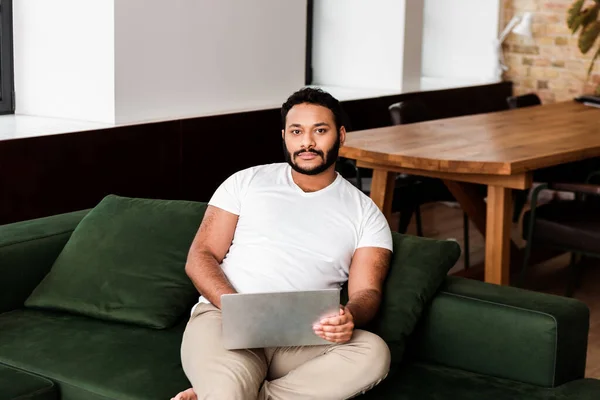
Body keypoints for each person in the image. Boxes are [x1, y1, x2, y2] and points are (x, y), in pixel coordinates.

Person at [172, 87, 393, 400]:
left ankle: (241, 394)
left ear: (341, 135)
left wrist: (350, 316)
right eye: (296, 131)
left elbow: (367, 292)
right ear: (284, 136)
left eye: (320, 130)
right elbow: (200, 256)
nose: (307, 142)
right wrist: (240, 310)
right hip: (225, 319)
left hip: (304, 336)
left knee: (373, 352)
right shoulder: (246, 182)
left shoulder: (366, 213)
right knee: (228, 393)